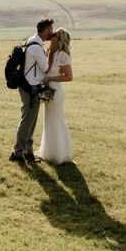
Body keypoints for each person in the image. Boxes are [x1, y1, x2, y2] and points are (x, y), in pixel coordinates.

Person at [10, 17, 54, 163]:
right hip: (30, 87)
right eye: (51, 30)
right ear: (46, 30)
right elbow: (46, 68)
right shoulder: (36, 47)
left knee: (31, 121)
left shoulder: (33, 41)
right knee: (28, 121)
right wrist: (51, 53)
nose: (51, 34)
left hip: (29, 85)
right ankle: (17, 153)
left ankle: (28, 153)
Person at [35, 28, 74, 164]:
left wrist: (50, 80)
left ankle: (62, 154)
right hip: (47, 89)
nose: (51, 36)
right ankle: (49, 152)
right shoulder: (48, 50)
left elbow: (69, 77)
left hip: (56, 91)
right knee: (49, 121)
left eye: (55, 35)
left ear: (60, 39)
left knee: (58, 120)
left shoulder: (62, 55)